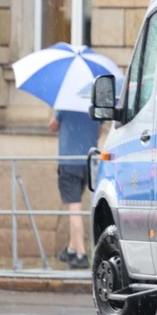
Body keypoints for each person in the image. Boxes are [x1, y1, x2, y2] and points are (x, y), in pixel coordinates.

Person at [49, 109, 102, 269]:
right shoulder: (93, 106)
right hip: (88, 163)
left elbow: (52, 126)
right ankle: (72, 248)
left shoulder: (64, 107)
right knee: (76, 206)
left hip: (69, 163)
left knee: (74, 209)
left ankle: (81, 254)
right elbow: (98, 133)